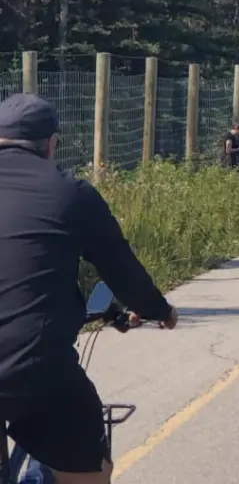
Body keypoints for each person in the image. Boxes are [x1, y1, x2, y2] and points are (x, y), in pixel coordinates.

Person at [0, 94, 179, 483]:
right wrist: (159, 311)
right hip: (32, 364)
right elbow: (121, 269)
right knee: (89, 471)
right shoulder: (70, 192)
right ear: (51, 144)